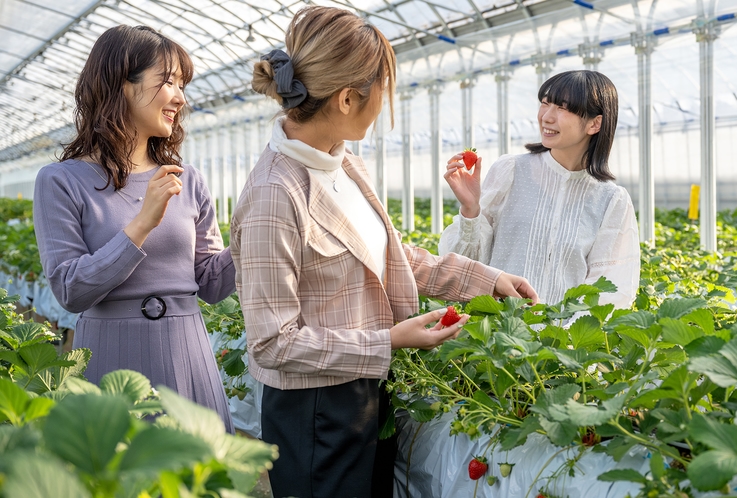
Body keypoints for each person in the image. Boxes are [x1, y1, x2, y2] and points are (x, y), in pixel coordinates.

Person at [229, 6, 538, 498]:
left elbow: (390, 257)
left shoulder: (345, 166)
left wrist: (485, 279)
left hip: (368, 392)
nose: (386, 103)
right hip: (316, 414)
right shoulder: (276, 195)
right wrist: (387, 340)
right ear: (349, 98)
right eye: (383, 90)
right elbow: (272, 342)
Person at [33, 25, 236, 432]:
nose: (180, 97)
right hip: (112, 356)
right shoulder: (61, 181)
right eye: (169, 82)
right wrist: (142, 223)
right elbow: (71, 290)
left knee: (200, 482)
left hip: (188, 352)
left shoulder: (186, 178)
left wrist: (252, 237)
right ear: (123, 85)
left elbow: (211, 284)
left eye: (183, 85)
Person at [439, 70, 640, 308]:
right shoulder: (511, 171)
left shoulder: (610, 200)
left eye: (563, 108)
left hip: (561, 341)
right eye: (545, 103)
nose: (547, 116)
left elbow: (610, 290)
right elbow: (466, 265)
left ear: (594, 123)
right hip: (498, 333)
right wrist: (471, 209)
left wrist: (563, 340)